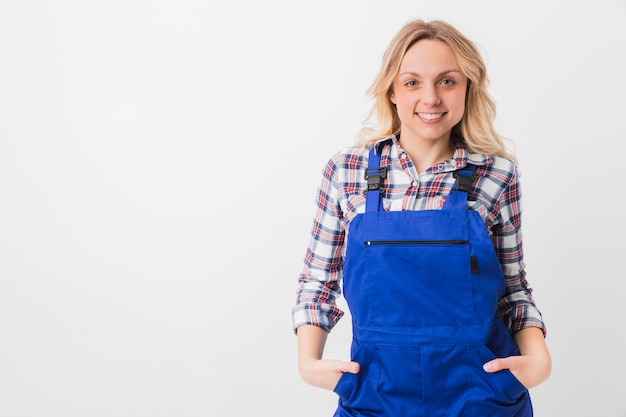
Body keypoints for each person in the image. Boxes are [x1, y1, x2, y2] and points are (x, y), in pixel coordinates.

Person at [292, 18, 551, 417]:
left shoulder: (496, 175)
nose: (430, 98)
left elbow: (513, 292)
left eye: (447, 81)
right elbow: (318, 282)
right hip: (376, 394)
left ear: (468, 88)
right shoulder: (346, 171)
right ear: (391, 91)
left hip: (479, 395)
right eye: (412, 82)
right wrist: (309, 365)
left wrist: (538, 361)